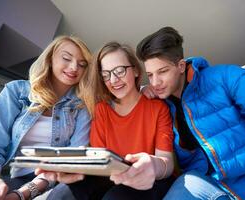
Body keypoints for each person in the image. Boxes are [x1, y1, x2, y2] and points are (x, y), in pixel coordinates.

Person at [136, 27, 245, 200]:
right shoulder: (159, 104)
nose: (156, 82)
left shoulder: (224, 78)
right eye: (150, 75)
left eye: (162, 71)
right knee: (184, 185)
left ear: (181, 66)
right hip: (206, 185)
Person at [39, 42, 175, 200]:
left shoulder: (158, 108)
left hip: (145, 182)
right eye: (106, 75)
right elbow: (98, 162)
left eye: (120, 71)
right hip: (109, 177)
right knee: (63, 194)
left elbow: (167, 162)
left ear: (136, 70)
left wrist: (154, 165)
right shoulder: (102, 110)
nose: (114, 80)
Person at [0, 35, 93, 200]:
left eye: (82, 64)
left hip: (55, 183)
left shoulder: (82, 107)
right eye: (66, 58)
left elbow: (74, 159)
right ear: (50, 59)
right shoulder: (16, 91)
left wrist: (23, 194)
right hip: (13, 177)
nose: (74, 67)